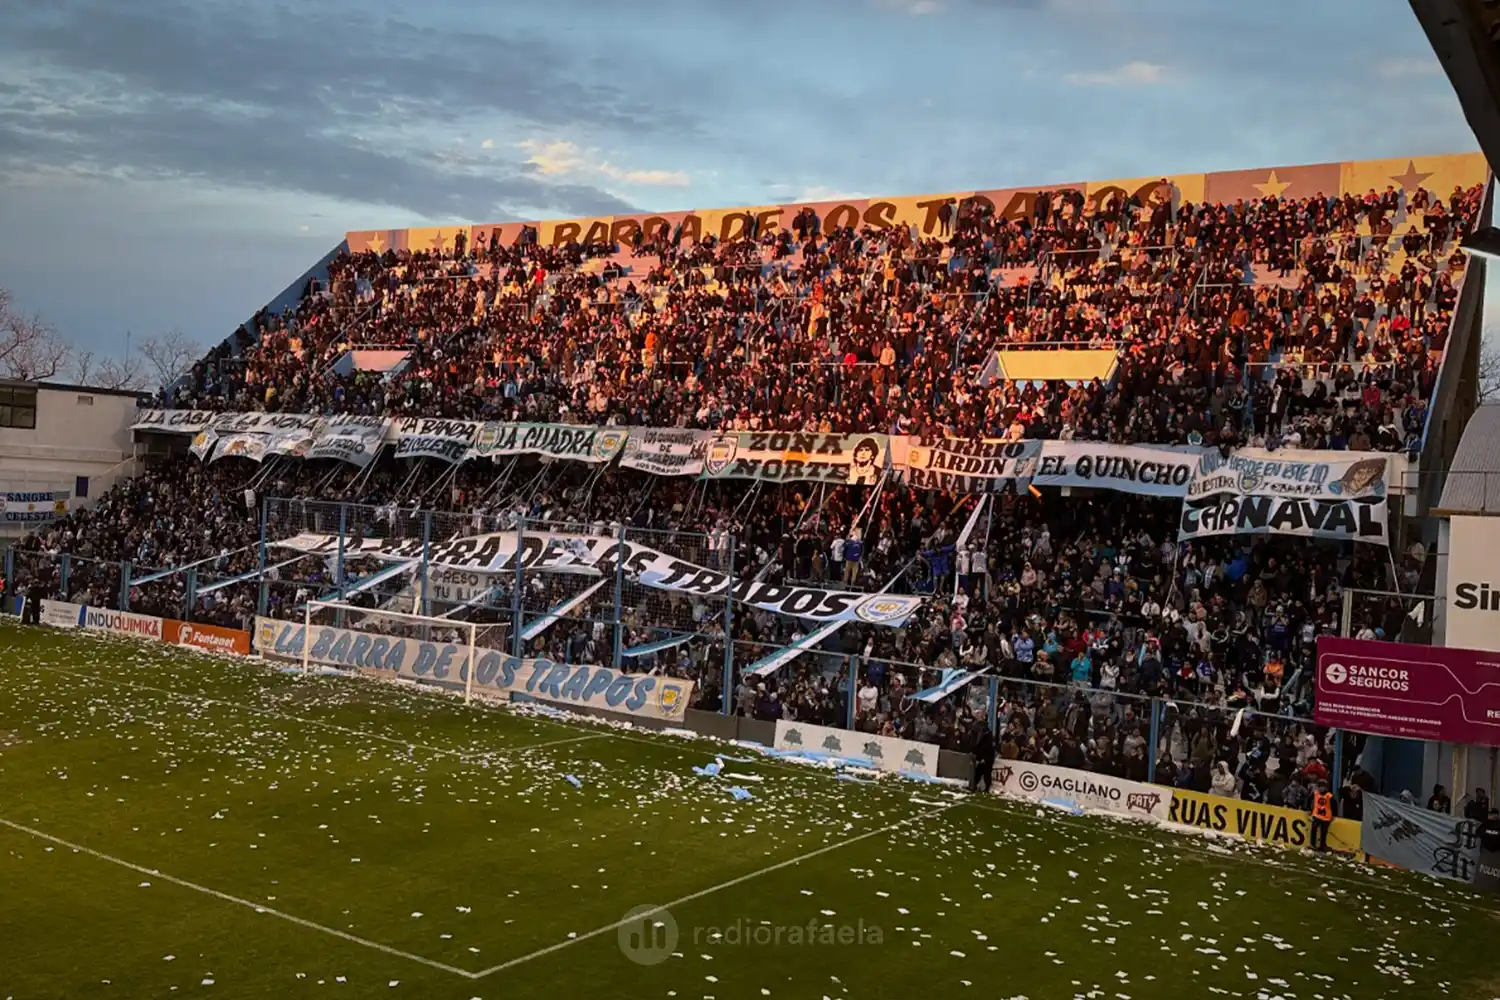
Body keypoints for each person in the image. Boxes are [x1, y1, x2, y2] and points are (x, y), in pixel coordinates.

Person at [969, 723, 995, 794]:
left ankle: (987, 788)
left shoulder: (988, 736)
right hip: (983, 758)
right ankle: (974, 785)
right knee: (978, 772)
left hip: (987, 758)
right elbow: (979, 746)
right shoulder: (982, 734)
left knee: (987, 773)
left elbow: (986, 748)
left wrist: (983, 758)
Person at [1310, 781, 1335, 853]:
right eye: (1320, 787)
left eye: (1323, 787)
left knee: (1324, 832)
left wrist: (1334, 815)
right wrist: (1309, 809)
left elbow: (1334, 805)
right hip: (1317, 815)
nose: (1321, 789)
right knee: (1314, 828)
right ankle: (1312, 844)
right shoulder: (1315, 794)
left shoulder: (1329, 796)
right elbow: (1309, 800)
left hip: (1326, 817)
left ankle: (1322, 846)